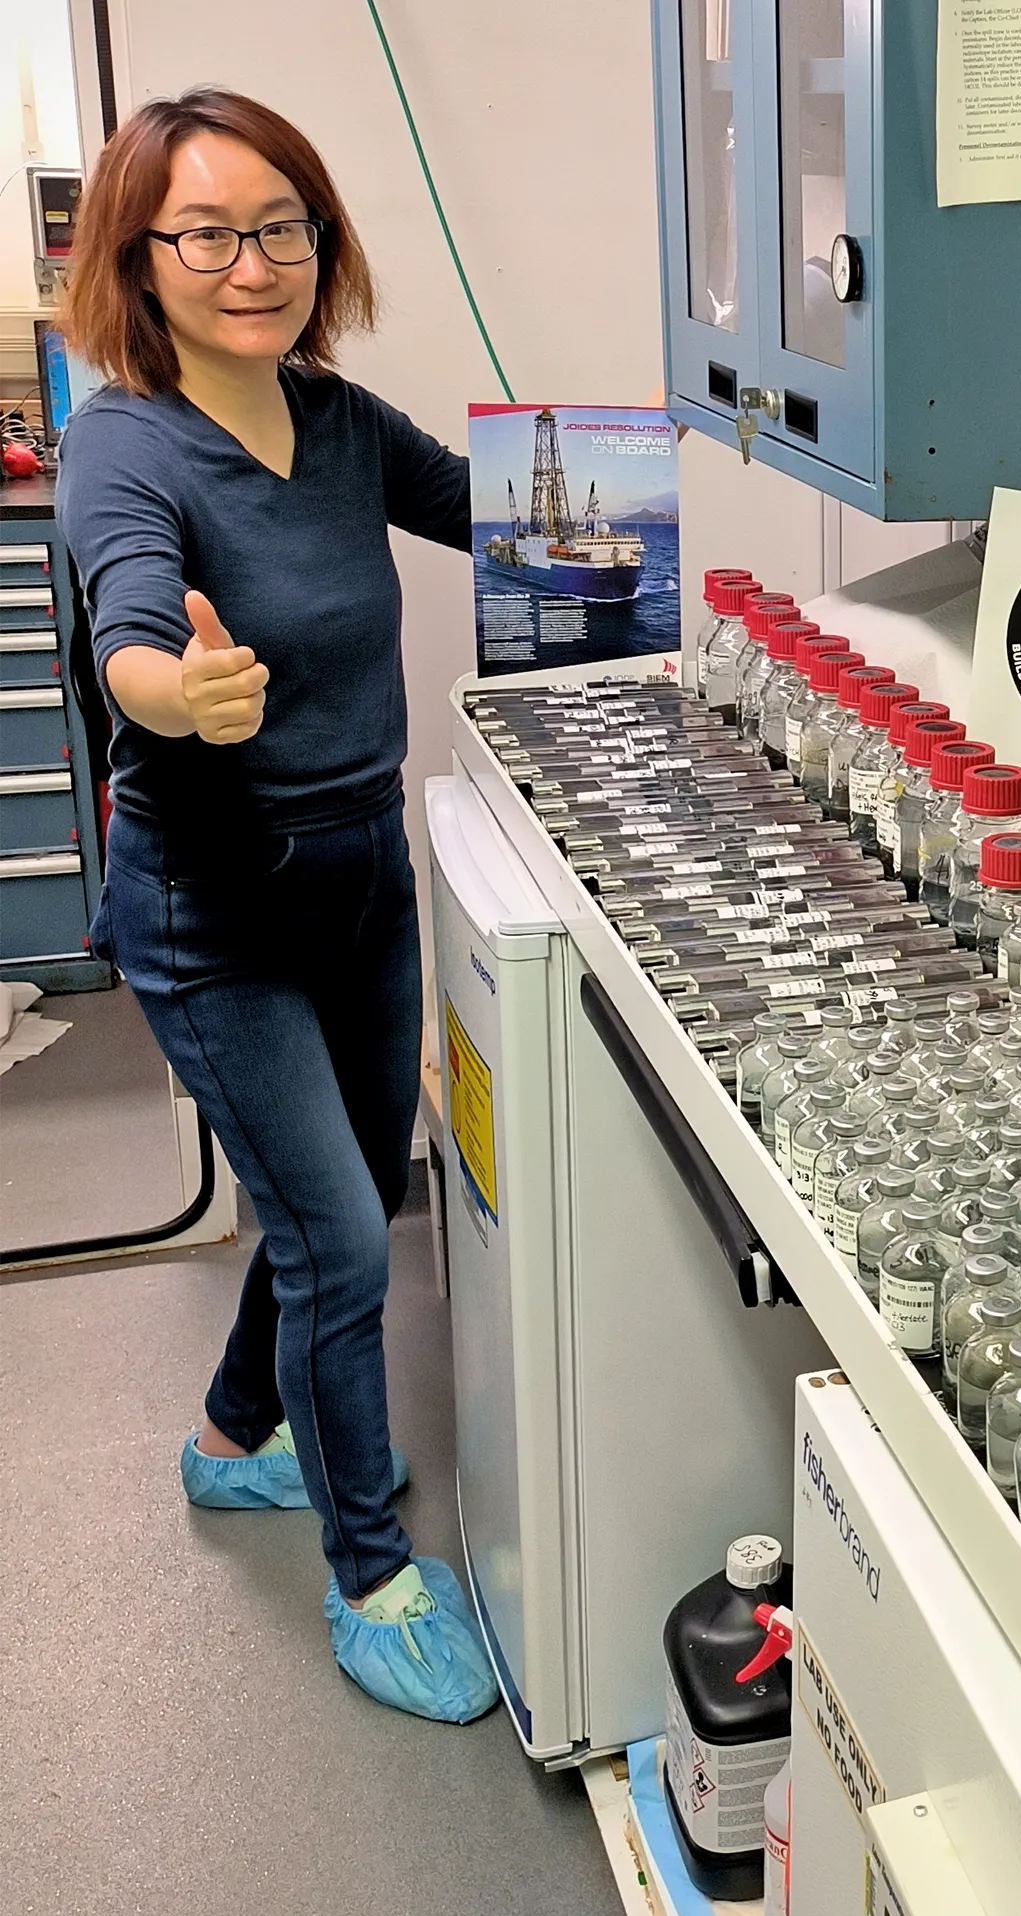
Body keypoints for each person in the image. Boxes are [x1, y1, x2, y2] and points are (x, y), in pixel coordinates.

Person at [57, 89, 494, 1723]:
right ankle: (371, 1573)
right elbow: (128, 635)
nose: (254, 263)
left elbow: (494, 510)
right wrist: (184, 693)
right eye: (210, 232)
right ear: (142, 256)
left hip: (364, 888)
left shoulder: (340, 421)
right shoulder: (123, 441)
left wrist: (650, 454)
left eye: (284, 225)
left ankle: (233, 1442)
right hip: (213, 911)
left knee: (348, 1201)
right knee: (332, 1236)